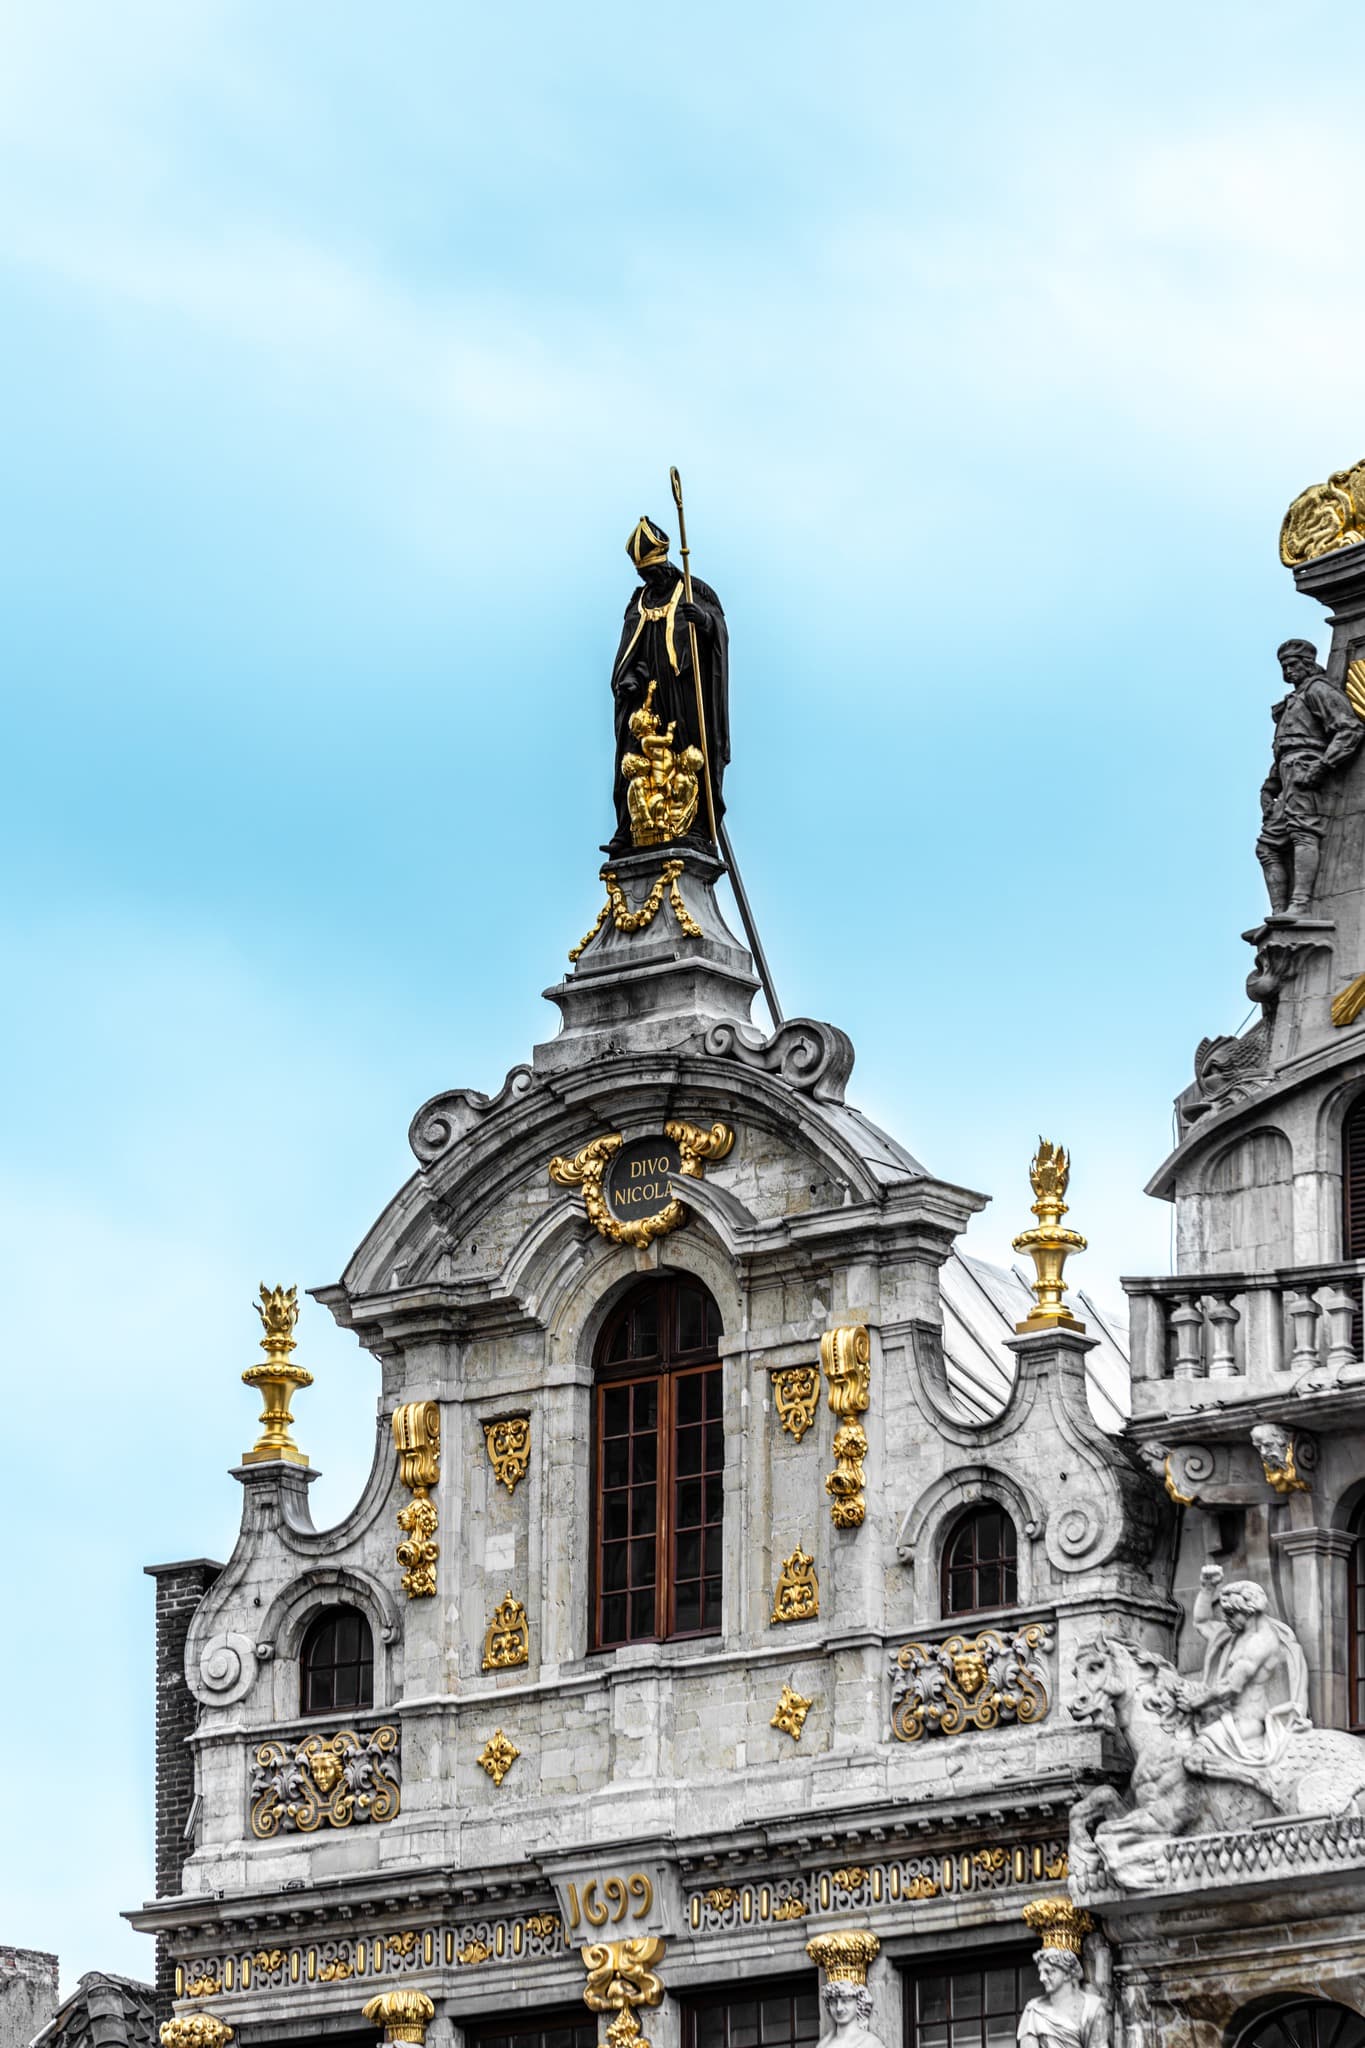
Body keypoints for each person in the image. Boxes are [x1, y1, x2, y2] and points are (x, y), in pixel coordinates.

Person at [609, 516, 729, 855]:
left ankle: (695, 824)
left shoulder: (694, 592)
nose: (650, 579)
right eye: (644, 575)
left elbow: (719, 636)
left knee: (690, 756)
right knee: (634, 758)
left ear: (665, 564)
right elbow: (629, 652)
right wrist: (628, 678)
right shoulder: (639, 603)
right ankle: (629, 827)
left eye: (654, 573)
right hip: (648, 698)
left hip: (686, 693)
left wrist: (704, 622)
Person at [1173, 1565, 1309, 1799]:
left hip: (1248, 1723)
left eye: (1231, 1614)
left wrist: (1193, 1703)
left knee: (1195, 1751)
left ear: (1250, 1610)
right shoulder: (1236, 1634)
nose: (1226, 1620)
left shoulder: (1262, 1642)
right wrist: (1207, 1588)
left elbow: (1231, 1686)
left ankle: (1253, 1786)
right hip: (1227, 1718)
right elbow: (1202, 1622)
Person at [1256, 639, 1363, 919]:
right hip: (1287, 772)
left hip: (1306, 771)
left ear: (1307, 664)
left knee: (1303, 832)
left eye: (1293, 665)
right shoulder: (1294, 700)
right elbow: (1284, 747)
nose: (1288, 671)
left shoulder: (1318, 690)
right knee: (1267, 846)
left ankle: (1301, 906)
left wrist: (1323, 765)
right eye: (1284, 666)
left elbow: (1349, 729)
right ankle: (1280, 913)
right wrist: (1270, 787)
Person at [1017, 1951, 1107, 2048]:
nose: (1042, 1978)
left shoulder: (1092, 2007)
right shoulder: (1034, 2011)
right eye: (1040, 1972)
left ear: (1067, 1974)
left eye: (1048, 1971)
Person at [816, 1979, 884, 2048]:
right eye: (833, 2002)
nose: (839, 2008)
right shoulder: (823, 2045)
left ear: (859, 2003)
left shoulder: (871, 2043)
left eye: (845, 2001)